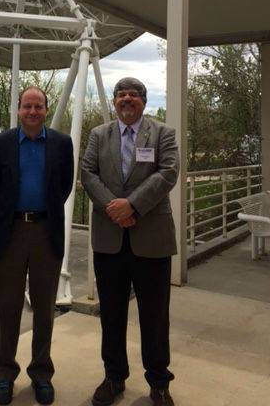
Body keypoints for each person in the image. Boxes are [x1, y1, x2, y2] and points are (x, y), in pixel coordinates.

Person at [81, 77, 179, 406]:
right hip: (110, 241)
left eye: (133, 95)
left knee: (154, 315)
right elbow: (88, 173)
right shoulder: (99, 134)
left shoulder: (163, 133)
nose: (126, 99)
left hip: (151, 241)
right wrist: (115, 208)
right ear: (114, 101)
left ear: (143, 101)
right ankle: (113, 378)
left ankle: (159, 382)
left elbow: (168, 172)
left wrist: (132, 205)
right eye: (121, 94)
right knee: (111, 314)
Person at [0, 86, 74, 406]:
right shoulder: (1, 143)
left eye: (38, 106)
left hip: (45, 232)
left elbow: (64, 186)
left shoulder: (62, 144)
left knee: (44, 309)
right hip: (10, 233)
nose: (33, 111)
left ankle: (41, 374)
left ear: (45, 110)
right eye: (27, 106)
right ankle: (5, 374)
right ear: (19, 110)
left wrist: (41, 213)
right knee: (8, 308)